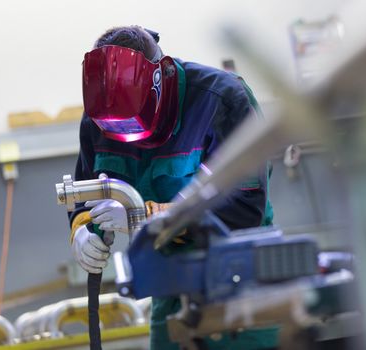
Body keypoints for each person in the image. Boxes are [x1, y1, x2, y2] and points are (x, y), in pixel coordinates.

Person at [68, 25, 277, 350]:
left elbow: (244, 208)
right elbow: (85, 188)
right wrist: (81, 228)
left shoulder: (221, 100)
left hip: (241, 284)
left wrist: (147, 216)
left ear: (160, 81)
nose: (127, 136)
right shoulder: (100, 118)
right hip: (170, 284)